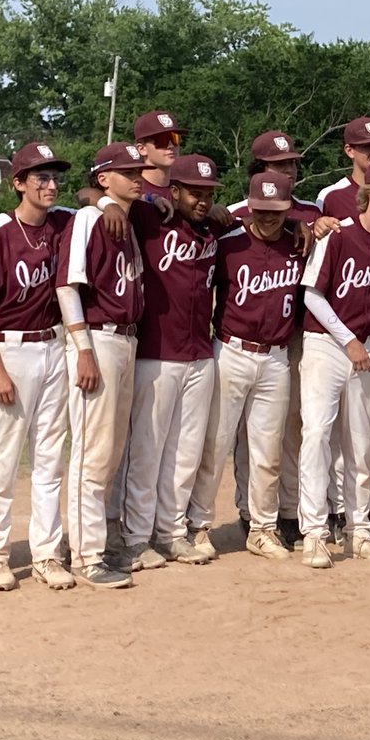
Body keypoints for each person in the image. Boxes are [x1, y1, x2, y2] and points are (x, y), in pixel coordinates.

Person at [0, 143, 75, 592]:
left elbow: (98, 202)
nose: (50, 186)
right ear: (17, 184)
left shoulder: (64, 223)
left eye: (54, 178)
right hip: (10, 351)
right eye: (40, 178)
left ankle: (47, 552)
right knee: (5, 457)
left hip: (53, 347)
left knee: (50, 459)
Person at [298, 156, 370, 568]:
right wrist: (348, 340)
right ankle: (314, 533)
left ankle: (359, 529)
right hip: (326, 344)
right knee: (317, 436)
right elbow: (312, 294)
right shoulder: (338, 236)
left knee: (361, 445)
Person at [198, 170, 305, 559]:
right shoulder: (228, 244)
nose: (268, 217)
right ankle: (198, 525)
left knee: (268, 450)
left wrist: (300, 225)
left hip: (276, 357)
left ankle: (262, 527)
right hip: (230, 351)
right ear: (249, 206)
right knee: (215, 443)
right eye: (261, 209)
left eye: (277, 210)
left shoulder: (298, 243)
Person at [56, 143, 148, 589]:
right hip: (98, 339)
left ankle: (95, 545)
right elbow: (67, 286)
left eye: (138, 170)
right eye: (127, 171)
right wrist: (84, 347)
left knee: (109, 451)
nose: (138, 177)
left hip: (125, 341)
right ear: (103, 178)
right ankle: (86, 555)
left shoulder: (125, 219)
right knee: (92, 452)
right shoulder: (89, 219)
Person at [120, 154, 219, 570]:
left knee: (185, 452)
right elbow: (92, 194)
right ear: (173, 191)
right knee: (146, 451)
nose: (202, 200)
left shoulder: (216, 227)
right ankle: (135, 538)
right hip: (156, 354)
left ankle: (172, 532)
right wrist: (120, 201)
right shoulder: (148, 217)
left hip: (200, 353)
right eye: (194, 192)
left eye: (208, 193)